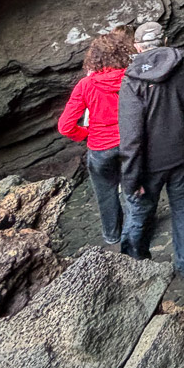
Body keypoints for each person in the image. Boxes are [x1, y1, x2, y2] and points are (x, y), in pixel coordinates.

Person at [119, 21, 184, 286]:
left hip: (148, 164)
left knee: (139, 213)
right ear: (165, 40)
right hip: (182, 155)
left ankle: (134, 268)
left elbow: (131, 136)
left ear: (137, 46)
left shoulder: (131, 80)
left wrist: (131, 178)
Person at [58, 32, 138, 246]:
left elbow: (65, 126)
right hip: (130, 143)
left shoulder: (86, 85)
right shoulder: (132, 77)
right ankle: (136, 231)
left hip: (100, 148)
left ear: (93, 59)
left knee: (106, 193)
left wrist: (87, 133)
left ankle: (113, 235)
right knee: (132, 188)